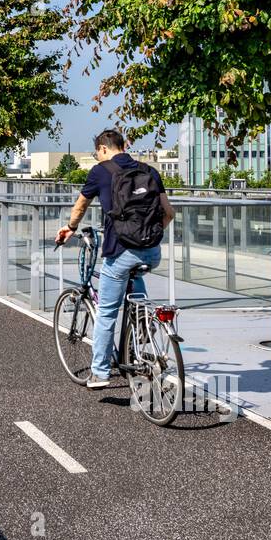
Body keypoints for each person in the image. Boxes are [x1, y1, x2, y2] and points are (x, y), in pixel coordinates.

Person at [55, 129, 174, 389]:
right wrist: (148, 236)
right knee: (135, 273)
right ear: (124, 145)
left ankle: (99, 373)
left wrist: (70, 228)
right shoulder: (149, 171)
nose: (98, 157)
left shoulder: (100, 171)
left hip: (120, 251)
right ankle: (142, 317)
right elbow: (168, 213)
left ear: (104, 149)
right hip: (152, 251)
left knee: (107, 311)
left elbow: (80, 206)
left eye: (98, 152)